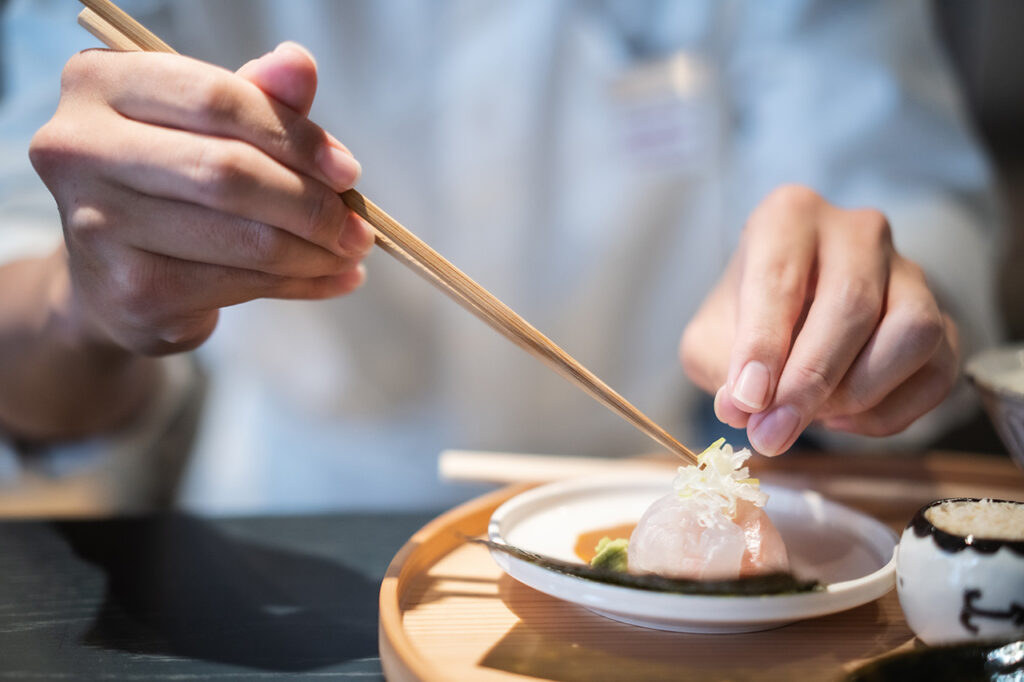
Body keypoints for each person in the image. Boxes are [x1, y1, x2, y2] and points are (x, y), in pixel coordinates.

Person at [0, 0, 1003, 512]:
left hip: (642, 494)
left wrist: (860, 308)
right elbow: (24, 295)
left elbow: (893, 173)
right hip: (278, 533)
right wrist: (89, 300)